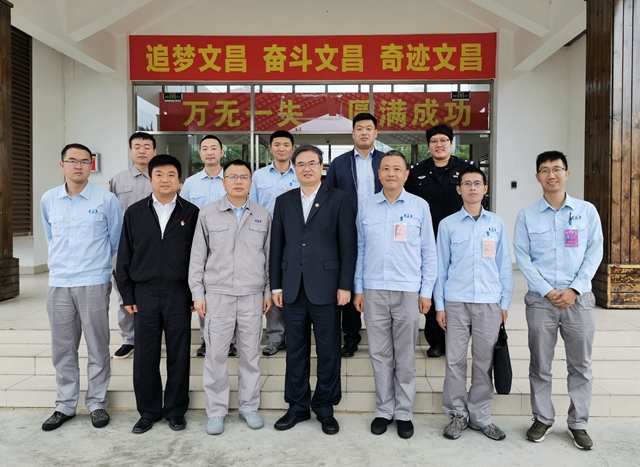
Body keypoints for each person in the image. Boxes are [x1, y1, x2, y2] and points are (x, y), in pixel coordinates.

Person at [514, 150, 603, 450]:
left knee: (581, 365)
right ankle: (542, 418)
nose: (551, 175)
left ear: (567, 173)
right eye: (544, 170)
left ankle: (578, 423)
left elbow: (594, 252)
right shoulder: (527, 215)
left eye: (556, 169)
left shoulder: (586, 211)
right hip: (542, 301)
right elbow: (523, 257)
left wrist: (575, 289)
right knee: (540, 363)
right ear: (537, 176)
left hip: (579, 300)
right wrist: (547, 290)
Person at [270, 144, 357, 435]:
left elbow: (348, 246)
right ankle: (297, 407)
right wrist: (276, 285)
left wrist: (345, 285)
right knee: (295, 351)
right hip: (292, 288)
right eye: (301, 164)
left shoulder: (340, 199)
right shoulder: (284, 201)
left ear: (322, 167)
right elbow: (276, 246)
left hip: (328, 289)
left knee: (329, 351)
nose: (307, 168)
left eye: (312, 163)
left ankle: (324, 407)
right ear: (294, 169)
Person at [353, 150, 437, 439]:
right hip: (373, 290)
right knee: (379, 354)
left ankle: (403, 412)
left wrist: (426, 291)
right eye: (386, 168)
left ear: (406, 174)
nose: (391, 173)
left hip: (408, 290)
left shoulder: (419, 206)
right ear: (379, 174)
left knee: (404, 355)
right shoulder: (366, 206)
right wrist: (358, 288)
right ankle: (384, 409)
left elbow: (429, 251)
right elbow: (360, 249)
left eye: (397, 169)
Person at [40, 143, 122, 431]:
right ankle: (65, 405)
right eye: (72, 160)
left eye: (84, 161)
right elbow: (51, 237)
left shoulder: (106, 200)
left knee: (98, 345)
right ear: (62, 164)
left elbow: (116, 242)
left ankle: (97, 403)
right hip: (59, 283)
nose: (78, 166)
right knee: (62, 348)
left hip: (94, 282)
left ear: (91, 165)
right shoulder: (49, 199)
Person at [116, 154, 199, 434]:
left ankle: (175, 410)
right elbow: (124, 256)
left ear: (180, 181)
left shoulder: (191, 212)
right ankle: (148, 412)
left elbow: (199, 257)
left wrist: (194, 293)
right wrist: (128, 296)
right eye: (159, 174)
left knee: (179, 354)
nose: (165, 180)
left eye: (171, 175)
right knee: (145, 356)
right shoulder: (135, 212)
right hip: (145, 294)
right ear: (150, 179)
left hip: (178, 293)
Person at [190, 159, 272, 435]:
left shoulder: (262, 214)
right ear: (223, 182)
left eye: (244, 177)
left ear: (251, 182)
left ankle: (249, 407)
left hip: (251, 295)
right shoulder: (208, 214)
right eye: (233, 177)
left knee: (250, 356)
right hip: (218, 295)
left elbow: (268, 257)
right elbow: (197, 257)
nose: (238, 181)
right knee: (216, 356)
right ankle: (216, 411)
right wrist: (198, 294)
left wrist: (267, 291)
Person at [434, 166, 513, 442]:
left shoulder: (496, 224)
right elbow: (440, 267)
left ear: (485, 188)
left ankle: (480, 415)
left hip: (489, 303)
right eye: (466, 184)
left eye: (477, 183)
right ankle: (457, 414)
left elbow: (504, 265)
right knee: (455, 361)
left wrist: (504, 302)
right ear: (459, 190)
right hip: (456, 302)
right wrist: (440, 305)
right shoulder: (448, 225)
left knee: (484, 362)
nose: (472, 188)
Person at [405, 123, 475, 358]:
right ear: (428, 146)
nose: (439, 144)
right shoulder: (417, 172)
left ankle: (455, 337)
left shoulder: (465, 170)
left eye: (443, 140)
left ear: (451, 143)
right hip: (428, 240)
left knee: (455, 286)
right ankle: (435, 341)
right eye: (434, 141)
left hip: (459, 239)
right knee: (431, 286)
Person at [325, 112, 384, 358]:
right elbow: (328, 197)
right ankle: (351, 337)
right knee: (348, 279)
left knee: (378, 279)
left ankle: (382, 334)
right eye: (359, 128)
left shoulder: (386, 161)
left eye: (368, 128)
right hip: (347, 230)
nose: (364, 132)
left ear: (375, 133)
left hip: (380, 230)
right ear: (352, 133)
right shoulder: (339, 163)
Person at [180, 134, 234, 358]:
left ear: (222, 152)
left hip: (230, 244)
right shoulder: (191, 183)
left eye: (214, 148)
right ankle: (206, 339)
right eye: (205, 148)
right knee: (205, 292)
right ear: (199, 153)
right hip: (200, 244)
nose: (209, 152)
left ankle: (230, 341)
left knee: (231, 291)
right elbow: (182, 212)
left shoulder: (231, 179)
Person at [249, 130, 299, 356]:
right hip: (267, 236)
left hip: (296, 237)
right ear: (270, 149)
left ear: (292, 148)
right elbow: (253, 207)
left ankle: (295, 334)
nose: (281, 148)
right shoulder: (259, 176)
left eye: (286, 144)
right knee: (272, 282)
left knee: (294, 283)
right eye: (277, 144)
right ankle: (276, 336)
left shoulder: (300, 173)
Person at [109, 132, 156, 359]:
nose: (142, 150)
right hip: (124, 246)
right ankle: (129, 339)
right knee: (124, 293)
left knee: (154, 293)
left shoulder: (161, 177)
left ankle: (152, 336)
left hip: (154, 247)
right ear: (130, 151)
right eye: (137, 146)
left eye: (147, 146)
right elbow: (111, 215)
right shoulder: (117, 180)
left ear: (154, 151)